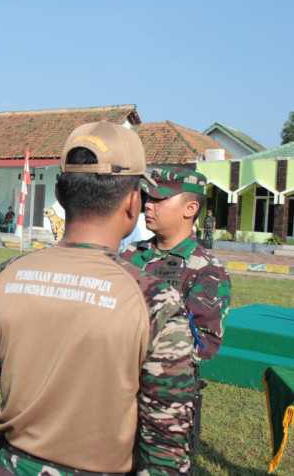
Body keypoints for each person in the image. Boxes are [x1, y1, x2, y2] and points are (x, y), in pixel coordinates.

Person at [0, 121, 195, 475]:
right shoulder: (155, 302)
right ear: (133, 201)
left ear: (59, 194)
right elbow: (167, 443)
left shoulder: (2, 280)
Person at [120, 168, 231, 469]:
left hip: (166, 400)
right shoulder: (131, 255)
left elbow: (203, 344)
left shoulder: (206, 270)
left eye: (158, 198)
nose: (147, 205)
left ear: (190, 208)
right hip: (117, 390)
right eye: (146, 198)